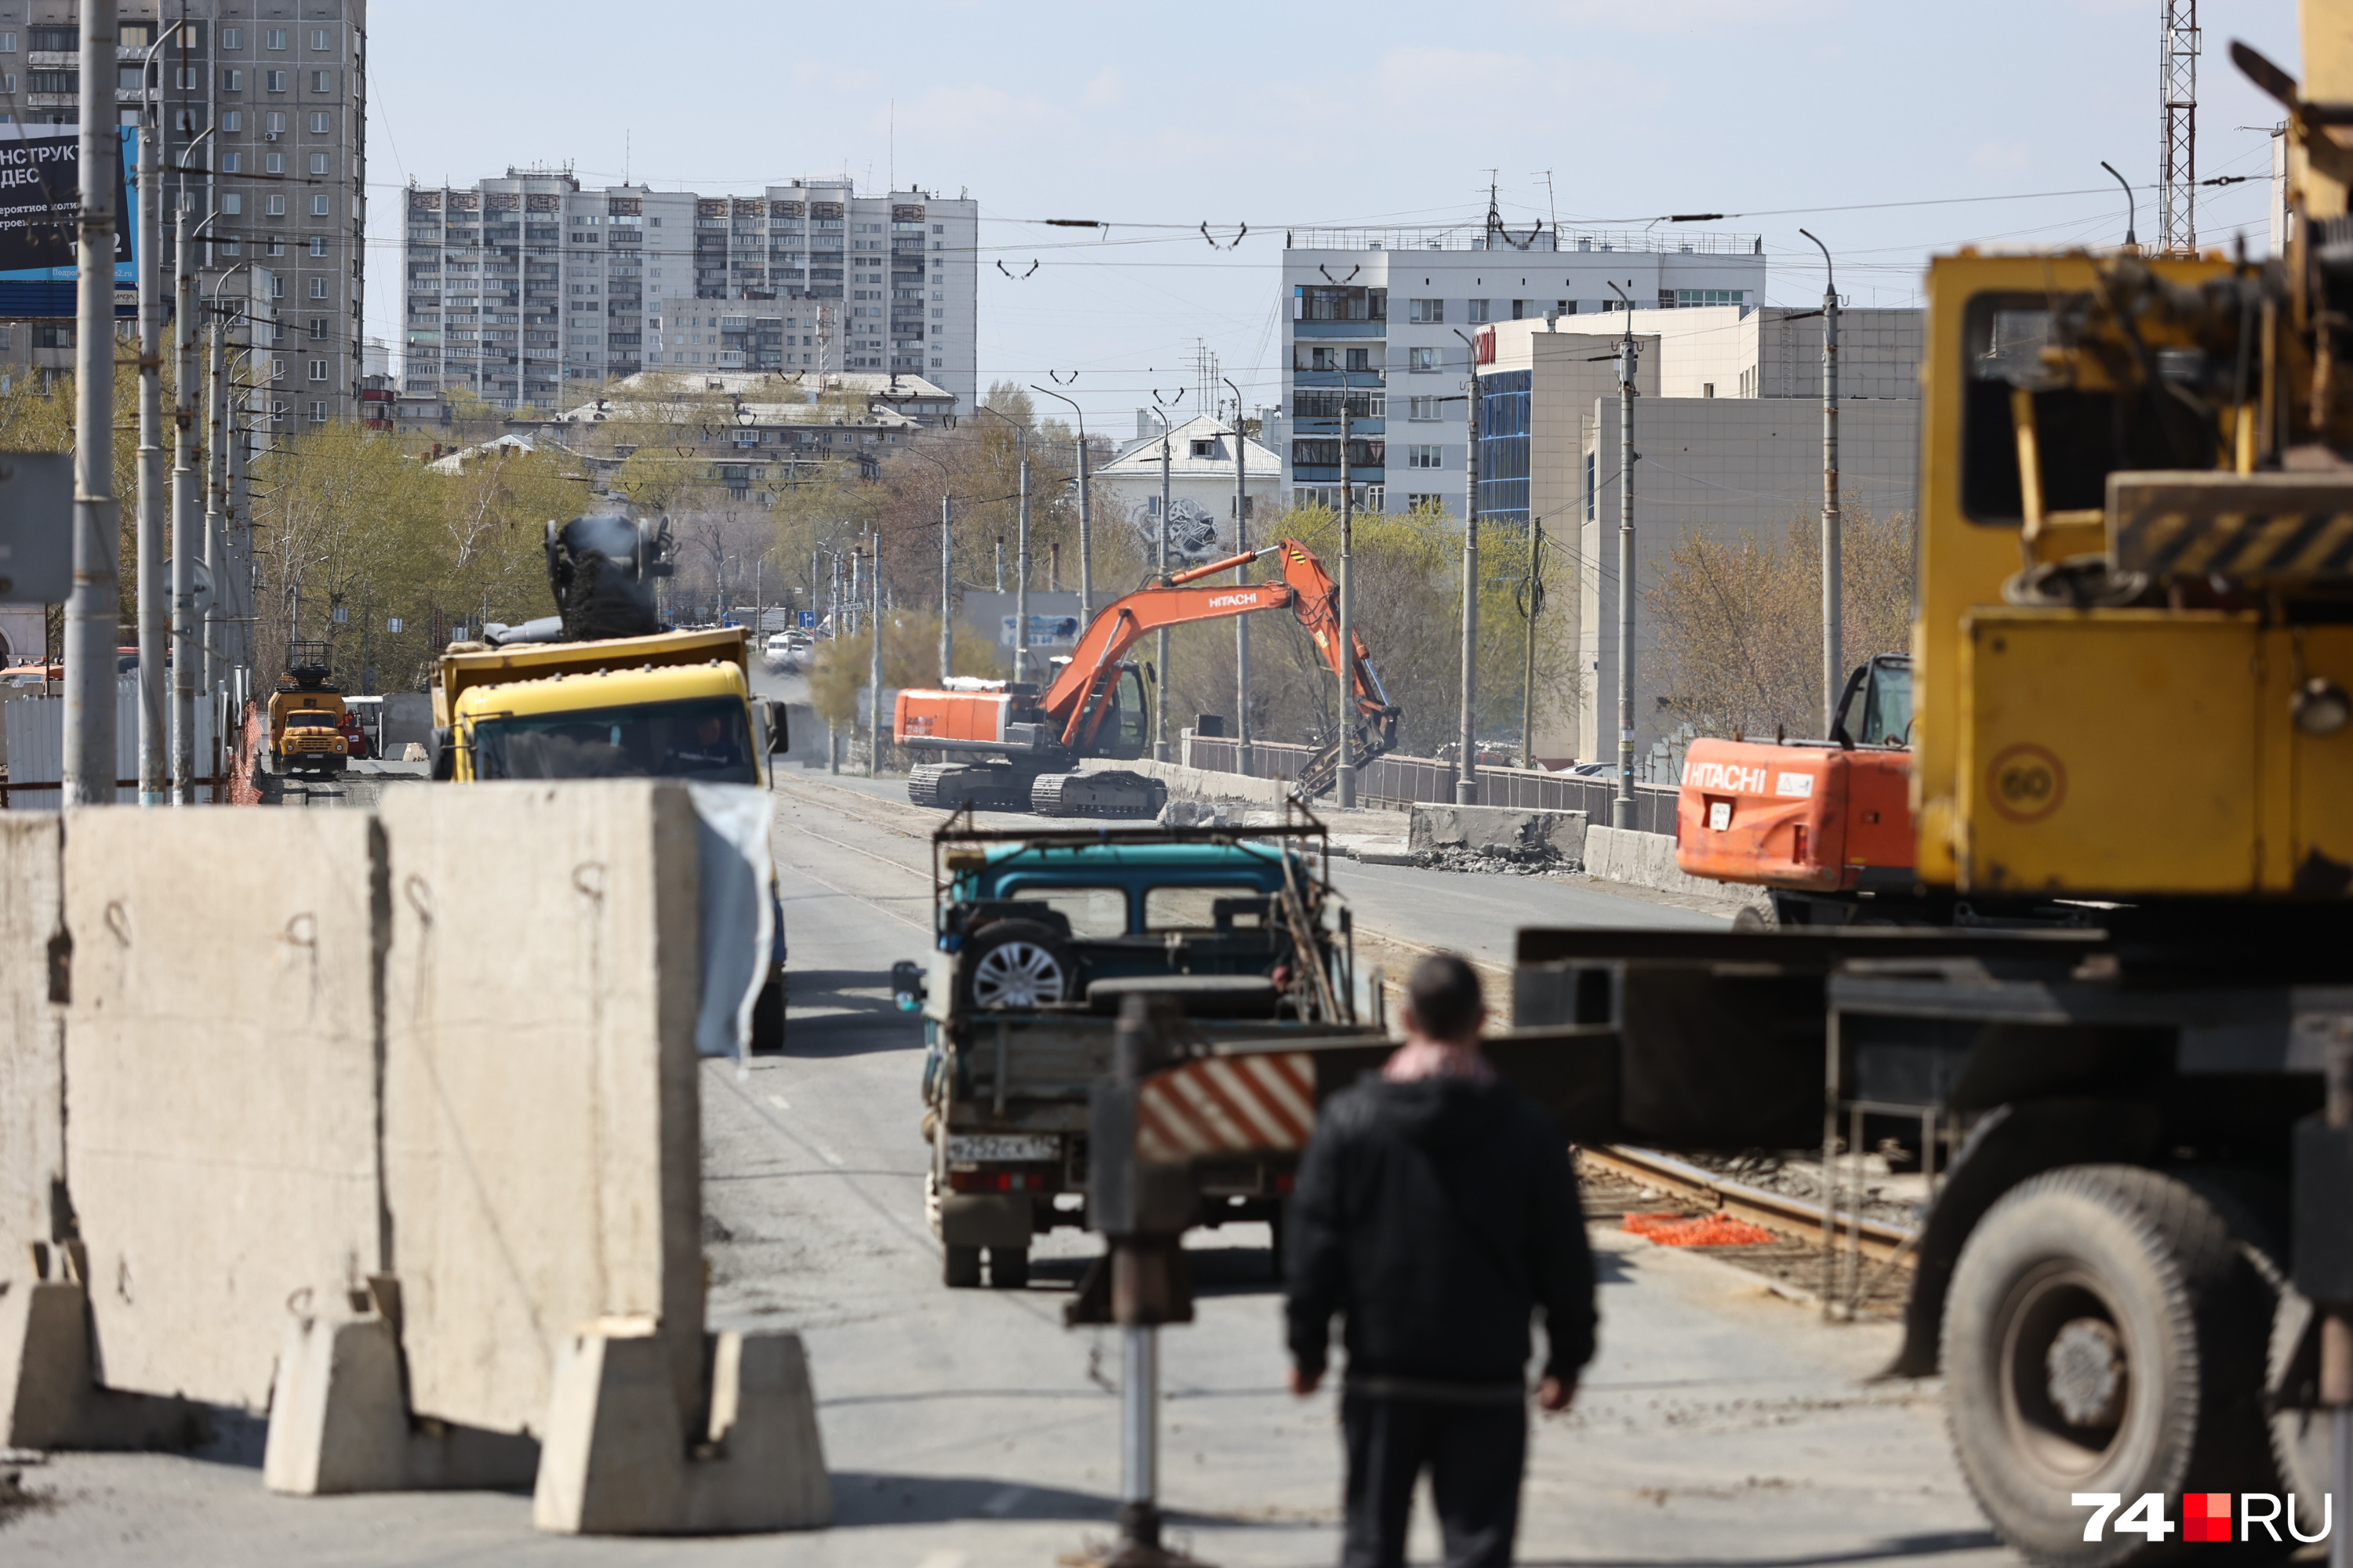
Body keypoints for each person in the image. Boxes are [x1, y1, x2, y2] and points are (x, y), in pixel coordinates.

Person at [1284, 951, 1595, 1568]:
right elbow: (1564, 1253)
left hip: (1383, 1369)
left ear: (1406, 1017)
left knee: (1373, 1541)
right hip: (1489, 1376)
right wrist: (1568, 1356)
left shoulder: (1351, 1120)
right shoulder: (1529, 1131)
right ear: (1482, 1020)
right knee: (1479, 1544)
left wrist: (1308, 1348)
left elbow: (1316, 1243)